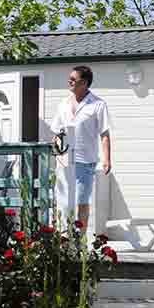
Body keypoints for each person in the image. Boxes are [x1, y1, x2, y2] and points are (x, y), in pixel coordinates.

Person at [49, 65, 112, 226]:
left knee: (81, 201)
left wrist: (107, 160)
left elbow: (104, 134)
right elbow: (56, 132)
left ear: (84, 83)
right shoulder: (63, 103)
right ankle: (64, 239)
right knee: (63, 201)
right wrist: (56, 151)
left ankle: (80, 241)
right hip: (64, 161)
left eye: (73, 79)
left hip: (85, 161)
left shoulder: (97, 104)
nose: (69, 81)